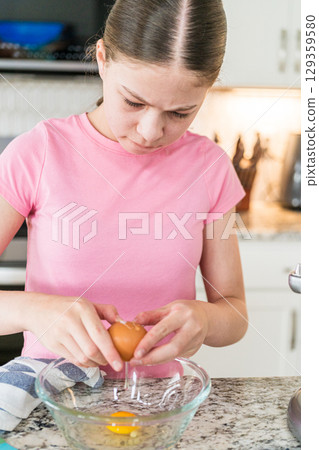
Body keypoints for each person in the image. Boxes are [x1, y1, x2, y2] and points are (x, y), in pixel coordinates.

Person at [0, 0, 248, 373]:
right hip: (52, 401)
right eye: (133, 101)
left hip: (158, 408)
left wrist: (207, 320)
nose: (150, 132)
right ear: (102, 59)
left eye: (180, 112)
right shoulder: (38, 152)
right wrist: (30, 309)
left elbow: (234, 312)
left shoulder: (210, 167)